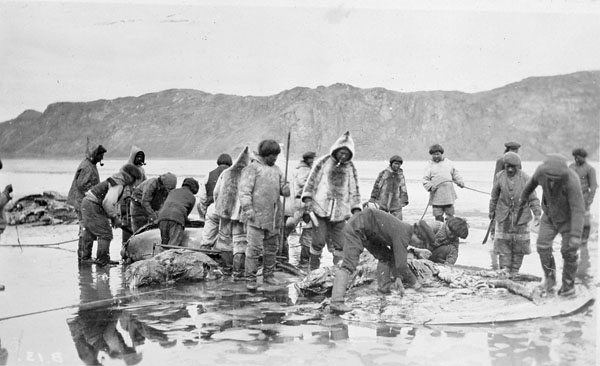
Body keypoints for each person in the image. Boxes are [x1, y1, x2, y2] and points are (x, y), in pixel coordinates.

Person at [329, 208, 434, 313]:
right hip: (358, 227)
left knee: (386, 256)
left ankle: (383, 288)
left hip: (369, 231)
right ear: (416, 234)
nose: (416, 245)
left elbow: (395, 257)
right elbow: (402, 266)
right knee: (349, 265)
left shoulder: (405, 230)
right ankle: (337, 301)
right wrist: (416, 285)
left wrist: (398, 278)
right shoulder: (403, 235)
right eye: (418, 243)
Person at [517, 154, 585, 296]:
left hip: (568, 219)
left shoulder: (572, 180)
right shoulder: (541, 172)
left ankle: (568, 285)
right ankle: (550, 279)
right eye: (550, 178)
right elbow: (529, 186)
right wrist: (522, 199)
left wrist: (575, 235)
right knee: (542, 246)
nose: (553, 181)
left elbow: (578, 210)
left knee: (569, 251)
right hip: (549, 216)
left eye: (556, 179)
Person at [301, 131, 362, 270]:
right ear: (336, 150)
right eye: (341, 152)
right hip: (320, 209)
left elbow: (355, 190)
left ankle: (338, 271)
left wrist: (356, 209)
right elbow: (311, 182)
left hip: (341, 213)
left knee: (341, 243)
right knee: (318, 241)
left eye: (346, 154)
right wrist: (308, 199)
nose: (343, 156)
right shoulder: (323, 162)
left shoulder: (351, 168)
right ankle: (313, 269)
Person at [239, 140, 290, 289]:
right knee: (253, 249)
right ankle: (250, 278)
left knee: (271, 248)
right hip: (256, 216)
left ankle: (269, 275)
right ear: (265, 154)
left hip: (273, 217)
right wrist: (248, 209)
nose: (275, 158)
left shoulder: (277, 170)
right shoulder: (252, 169)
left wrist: (286, 188)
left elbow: (283, 189)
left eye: (276, 155)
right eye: (272, 155)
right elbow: (244, 191)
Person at [80, 164, 143, 266]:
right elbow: (108, 203)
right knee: (105, 233)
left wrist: (113, 218)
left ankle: (85, 258)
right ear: (131, 177)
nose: (134, 184)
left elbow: (107, 202)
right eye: (135, 180)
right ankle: (102, 260)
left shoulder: (116, 180)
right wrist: (114, 217)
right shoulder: (118, 185)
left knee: (90, 231)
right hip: (92, 204)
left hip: (87, 203)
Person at [489, 152, 541, 275]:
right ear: (505, 165)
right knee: (503, 243)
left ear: (518, 166)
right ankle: (504, 269)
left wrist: (537, 213)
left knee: (520, 245)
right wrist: (491, 212)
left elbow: (533, 198)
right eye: (508, 166)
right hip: (503, 215)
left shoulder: (526, 178)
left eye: (513, 166)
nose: (510, 169)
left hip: (521, 216)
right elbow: (494, 197)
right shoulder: (499, 176)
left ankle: (515, 270)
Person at [213, 147, 250, 277]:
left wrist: (219, 207)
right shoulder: (249, 175)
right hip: (240, 216)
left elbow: (216, 193)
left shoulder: (226, 173)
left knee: (224, 242)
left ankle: (226, 270)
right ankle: (238, 272)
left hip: (225, 212)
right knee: (240, 244)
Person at [67, 145, 107, 263]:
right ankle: (84, 257)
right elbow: (81, 185)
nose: (101, 159)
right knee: (86, 228)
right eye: (100, 156)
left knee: (86, 228)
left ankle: (84, 256)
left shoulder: (89, 164)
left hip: (84, 202)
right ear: (95, 154)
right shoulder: (87, 167)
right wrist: (95, 194)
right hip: (82, 203)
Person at [489, 141, 522, 269]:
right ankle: (494, 235)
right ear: (508, 149)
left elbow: (519, 177)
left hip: (513, 194)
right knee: (497, 215)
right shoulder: (501, 161)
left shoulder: (518, 161)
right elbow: (496, 177)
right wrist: (495, 192)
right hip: (501, 191)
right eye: (513, 150)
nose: (515, 152)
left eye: (516, 150)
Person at [569, 148, 597, 281]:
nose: (576, 159)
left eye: (578, 157)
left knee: (585, 221)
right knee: (571, 221)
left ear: (583, 157)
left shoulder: (590, 169)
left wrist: (589, 201)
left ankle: (584, 241)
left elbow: (593, 187)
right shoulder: (571, 167)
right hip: (571, 199)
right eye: (575, 157)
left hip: (584, 199)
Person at [284, 151, 316, 267]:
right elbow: (303, 184)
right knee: (308, 229)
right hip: (301, 203)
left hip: (296, 203)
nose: (313, 161)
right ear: (308, 160)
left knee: (286, 230)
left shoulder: (298, 169)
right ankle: (304, 261)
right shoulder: (305, 170)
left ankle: (284, 257)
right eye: (311, 159)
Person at [423, 144, 464, 222]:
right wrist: (431, 187)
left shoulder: (449, 163)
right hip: (436, 196)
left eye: (437, 154)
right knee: (438, 218)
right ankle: (440, 231)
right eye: (433, 154)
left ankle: (450, 231)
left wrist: (460, 182)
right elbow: (425, 180)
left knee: (450, 217)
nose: (436, 156)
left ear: (441, 153)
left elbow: (456, 174)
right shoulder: (429, 166)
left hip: (448, 196)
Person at [199, 154, 232, 246]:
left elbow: (202, 198)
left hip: (213, 208)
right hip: (228, 211)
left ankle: (205, 255)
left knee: (206, 240)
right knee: (227, 241)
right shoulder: (234, 174)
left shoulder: (208, 175)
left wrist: (205, 212)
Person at [157, 178, 199, 248]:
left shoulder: (173, 191)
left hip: (162, 217)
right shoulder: (192, 197)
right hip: (176, 219)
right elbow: (185, 215)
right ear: (194, 188)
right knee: (173, 246)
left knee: (164, 244)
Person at [120, 146, 147, 245]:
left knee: (137, 223)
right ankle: (125, 246)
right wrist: (127, 196)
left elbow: (145, 183)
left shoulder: (141, 170)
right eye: (137, 156)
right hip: (126, 200)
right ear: (133, 157)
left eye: (141, 157)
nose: (139, 159)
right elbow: (124, 184)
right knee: (126, 223)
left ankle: (135, 244)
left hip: (137, 200)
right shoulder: (125, 168)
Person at [369, 155, 409, 220]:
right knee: (381, 220)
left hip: (396, 202)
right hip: (383, 201)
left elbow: (403, 188)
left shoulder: (400, 175)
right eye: (395, 163)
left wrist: (404, 200)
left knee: (397, 222)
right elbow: (377, 186)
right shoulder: (384, 173)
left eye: (399, 164)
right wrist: (373, 197)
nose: (397, 166)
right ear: (391, 163)